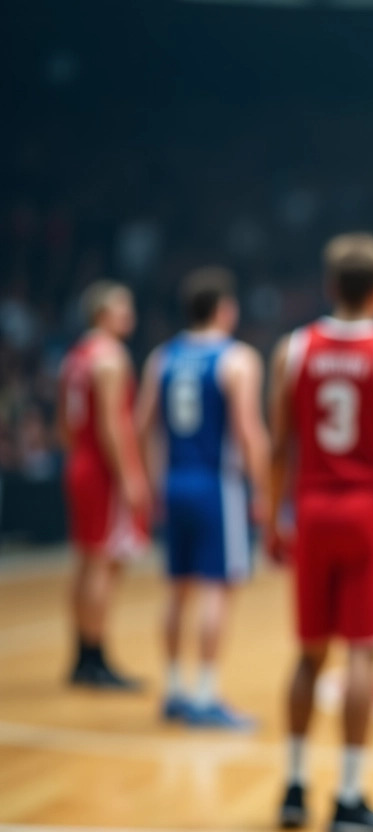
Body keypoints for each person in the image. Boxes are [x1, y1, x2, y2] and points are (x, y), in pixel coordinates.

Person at [267, 233, 373, 832]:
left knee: (308, 655)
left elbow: (281, 446)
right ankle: (349, 795)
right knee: (361, 654)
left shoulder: (293, 349)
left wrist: (273, 515)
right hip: (366, 511)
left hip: (312, 509)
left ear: (331, 287)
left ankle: (295, 786)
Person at [135, 267, 269, 728]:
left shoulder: (162, 357)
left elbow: (143, 425)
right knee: (217, 589)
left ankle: (174, 690)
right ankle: (208, 694)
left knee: (177, 590)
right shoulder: (237, 359)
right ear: (224, 309)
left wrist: (153, 484)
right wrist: (265, 487)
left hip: (175, 481)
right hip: (218, 485)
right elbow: (248, 430)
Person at [58, 281, 150, 689]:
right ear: (101, 313)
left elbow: (64, 423)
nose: (129, 314)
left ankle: (82, 655)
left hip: (79, 460)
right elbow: (114, 424)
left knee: (85, 560)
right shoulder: (111, 357)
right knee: (103, 562)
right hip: (102, 468)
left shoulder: (75, 357)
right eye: (121, 307)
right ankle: (95, 659)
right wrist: (130, 475)